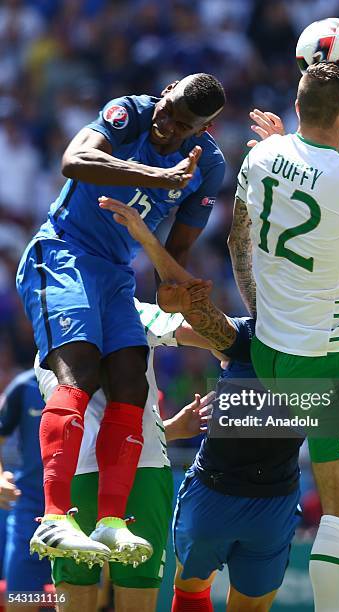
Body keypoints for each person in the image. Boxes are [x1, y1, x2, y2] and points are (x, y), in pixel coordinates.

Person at [99, 196, 339, 612]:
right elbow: (218, 277)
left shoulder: (326, 346)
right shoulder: (246, 337)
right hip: (216, 489)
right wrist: (252, 181)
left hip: (273, 501)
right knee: (192, 586)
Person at [15, 73, 226, 566]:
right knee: (82, 372)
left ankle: (111, 523)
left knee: (131, 381)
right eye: (168, 108)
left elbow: (173, 251)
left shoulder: (209, 168)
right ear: (167, 89)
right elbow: (75, 161)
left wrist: (177, 290)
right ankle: (54, 518)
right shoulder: (128, 112)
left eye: (181, 125)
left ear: (204, 129)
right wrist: (156, 176)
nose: (166, 123)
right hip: (62, 252)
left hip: (115, 274)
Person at [228, 60, 339, 612]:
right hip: (328, 359)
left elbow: (239, 238)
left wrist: (283, 148)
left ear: (297, 108)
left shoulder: (260, 155)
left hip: (270, 349)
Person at [35, 300, 213, 612]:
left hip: (71, 480)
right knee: (137, 599)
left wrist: (167, 429)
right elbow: (201, 332)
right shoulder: (130, 308)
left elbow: (83, 422)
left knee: (74, 599)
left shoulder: (47, 335)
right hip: (141, 472)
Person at [0, 370, 51, 612]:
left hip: (82, 509)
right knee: (20, 600)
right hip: (28, 508)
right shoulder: (23, 386)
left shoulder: (99, 379)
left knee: (83, 601)